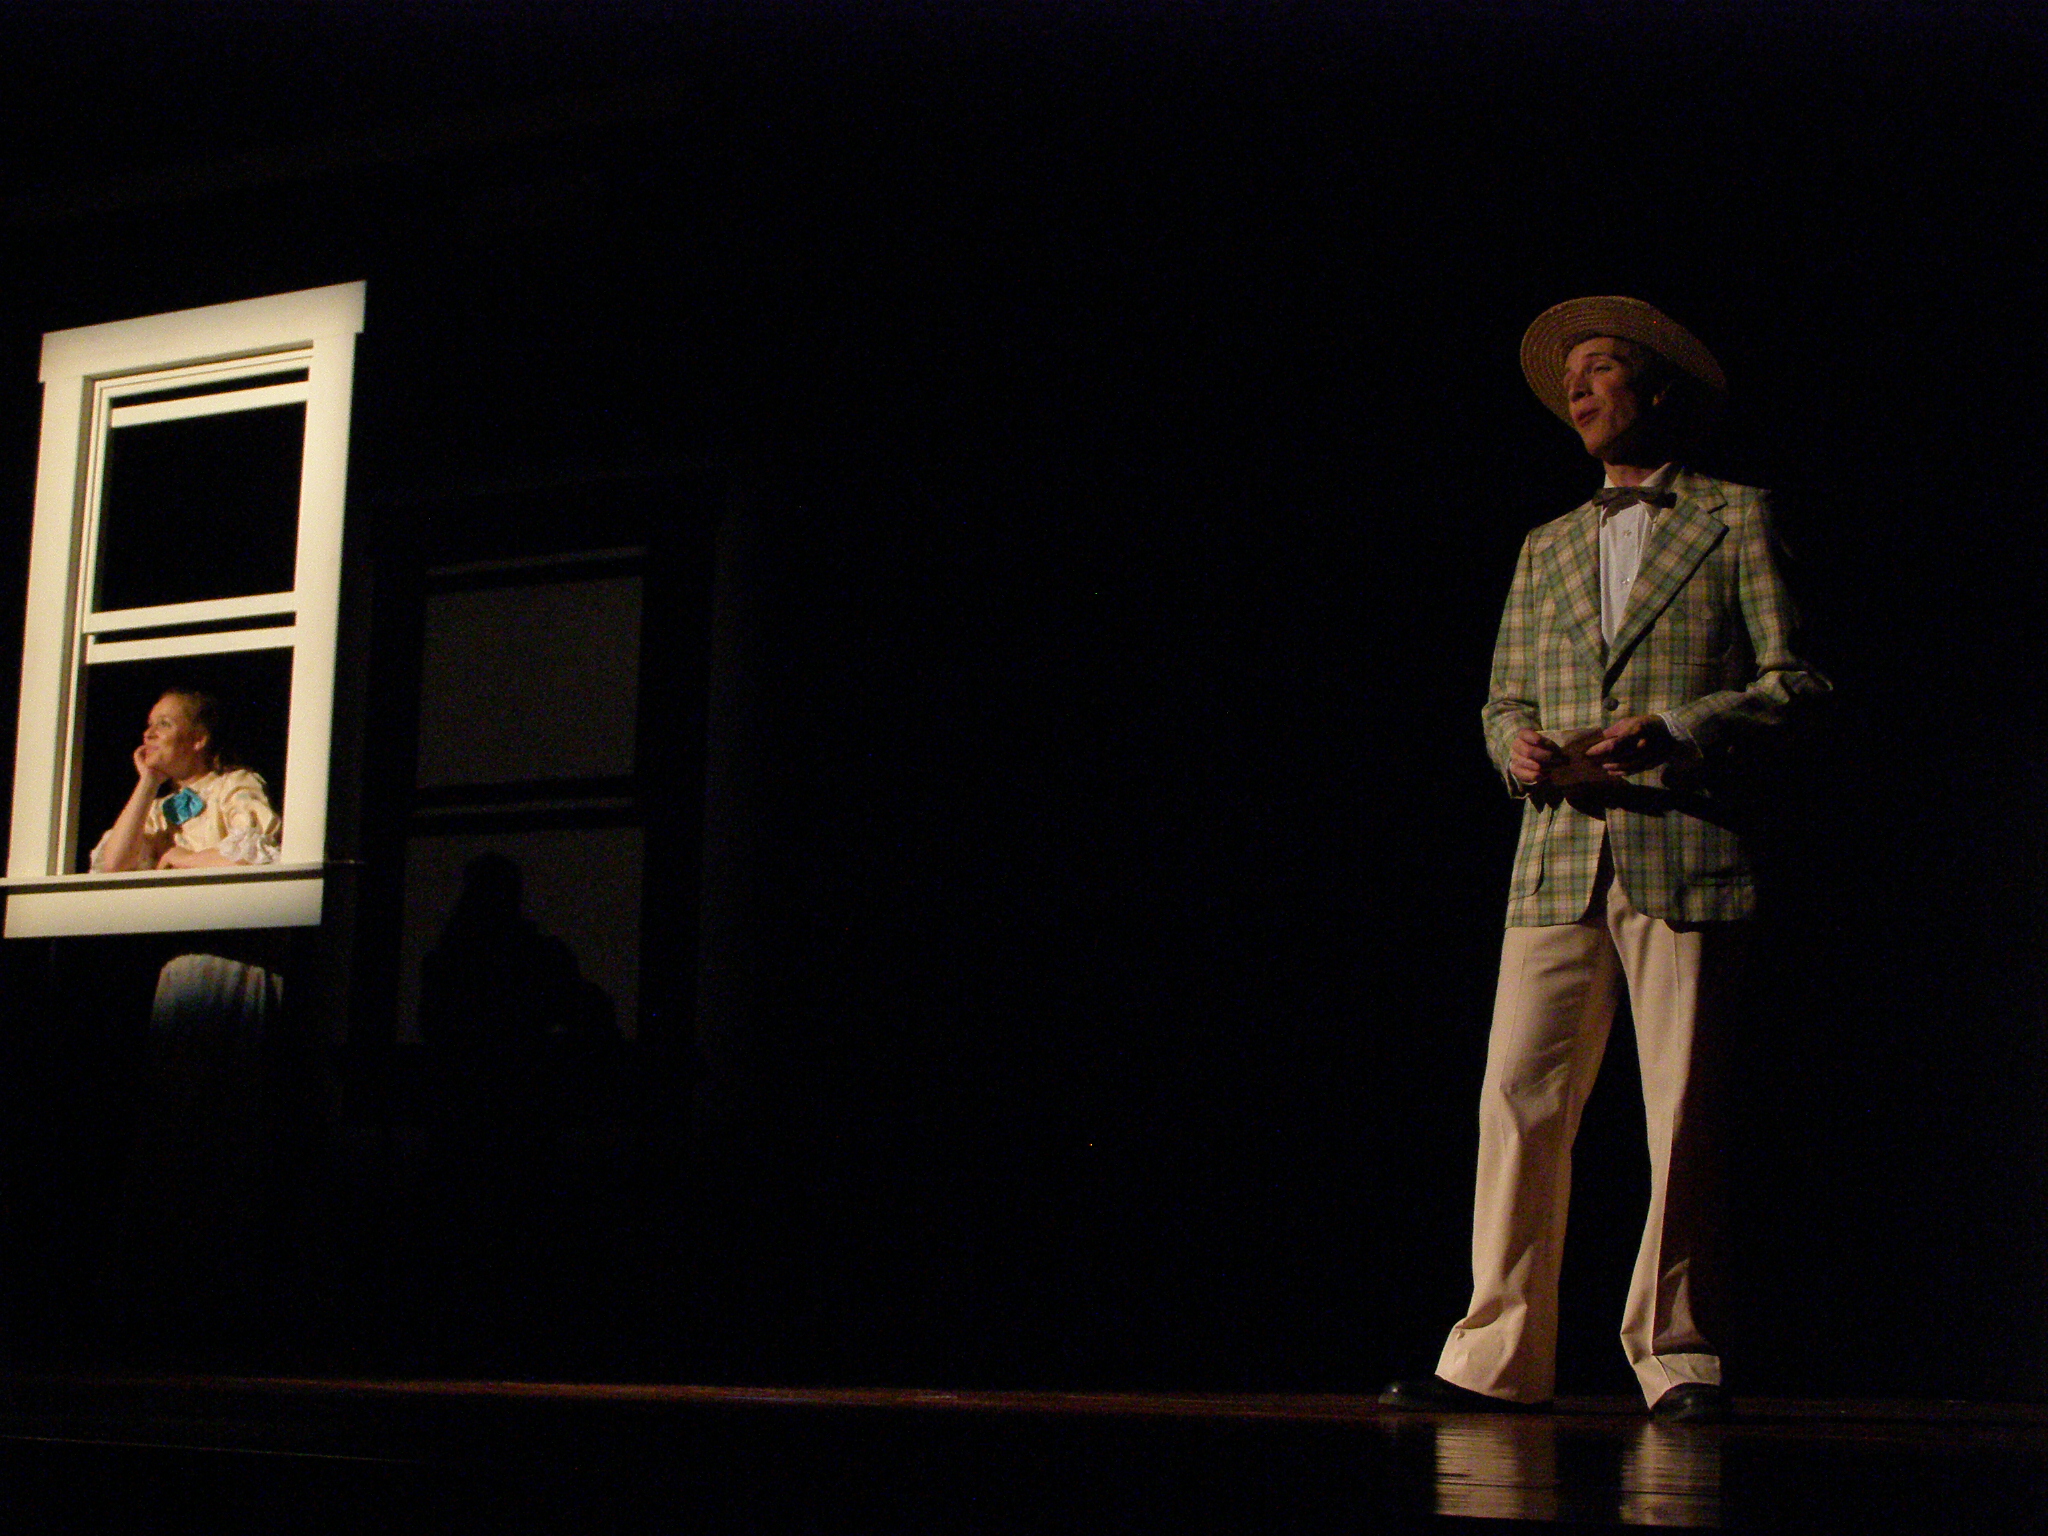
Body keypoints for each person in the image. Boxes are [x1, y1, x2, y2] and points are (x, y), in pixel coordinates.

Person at [1379, 297, 1829, 1423]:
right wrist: (1517, 749)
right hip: (1555, 855)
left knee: (1680, 1110)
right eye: (1570, 376)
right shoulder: (1545, 545)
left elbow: (1796, 683)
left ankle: (1676, 1354)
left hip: (1685, 843)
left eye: (1601, 369)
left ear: (1658, 389)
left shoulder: (1734, 516)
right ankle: (1493, 1357)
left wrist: (1672, 729)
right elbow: (1504, 696)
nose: (1578, 390)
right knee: (1516, 1100)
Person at [90, 689, 281, 872]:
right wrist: (148, 782)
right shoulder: (155, 811)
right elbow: (114, 864)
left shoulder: (233, 785)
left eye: (164, 724)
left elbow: (254, 857)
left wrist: (183, 859)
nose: (148, 734)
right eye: (150, 724)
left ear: (198, 739)